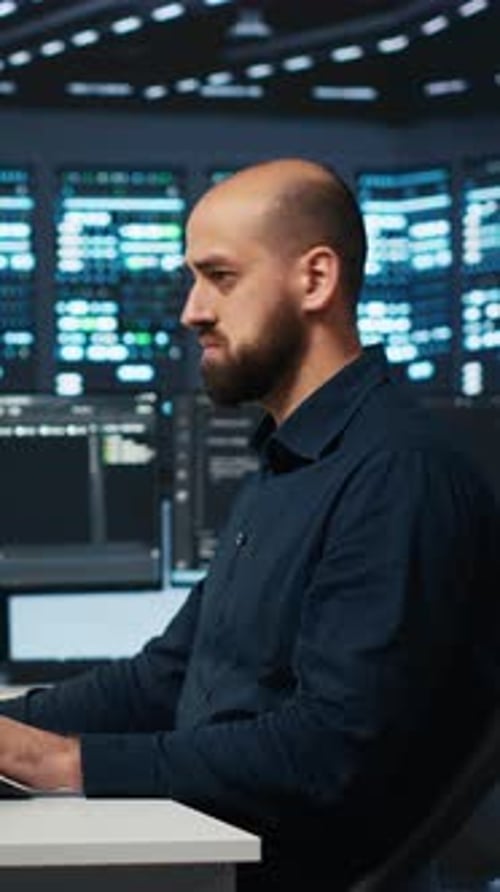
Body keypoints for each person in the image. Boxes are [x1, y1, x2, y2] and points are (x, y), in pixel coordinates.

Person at [0, 157, 499, 892]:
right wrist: (15, 725)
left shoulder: (397, 475)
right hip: (213, 855)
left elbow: (326, 755)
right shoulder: (295, 459)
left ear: (316, 280)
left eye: (221, 277)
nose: (192, 311)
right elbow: (167, 679)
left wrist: (59, 763)